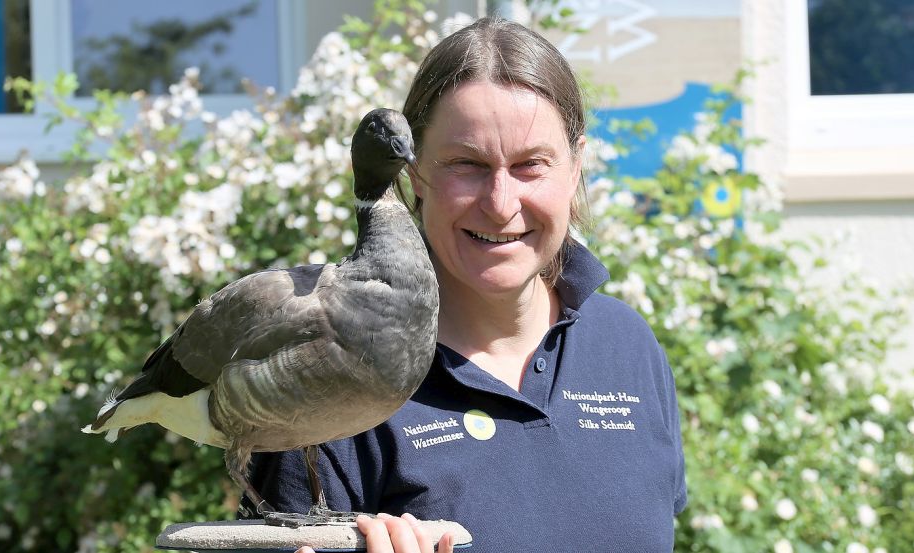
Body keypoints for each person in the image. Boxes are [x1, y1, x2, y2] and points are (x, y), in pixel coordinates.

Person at [244, 16, 687, 552]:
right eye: (466, 165)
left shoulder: (625, 344)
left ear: (576, 168)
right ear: (412, 177)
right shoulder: (330, 367)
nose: (501, 204)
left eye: (530, 166)